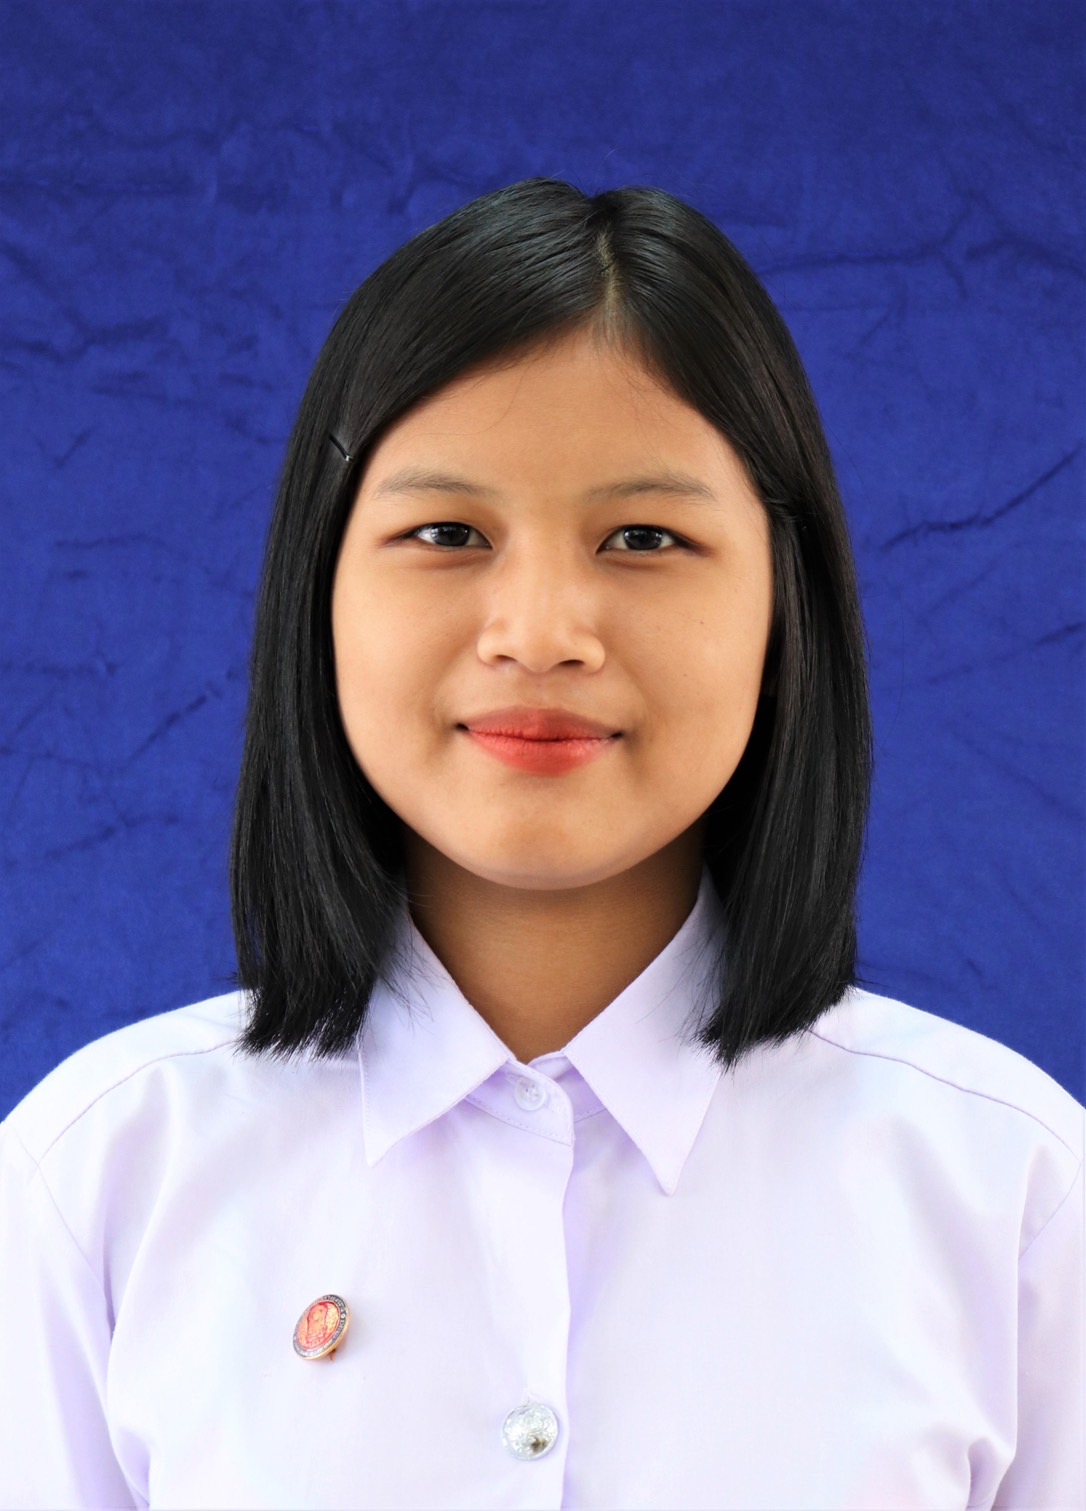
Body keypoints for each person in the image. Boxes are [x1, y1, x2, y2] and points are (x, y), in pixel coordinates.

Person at [0, 177, 1081, 1511]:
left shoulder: (1015, 1199)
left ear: (782, 603)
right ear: (317, 591)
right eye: (446, 534)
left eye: (645, 537)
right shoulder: (99, 1183)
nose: (539, 633)